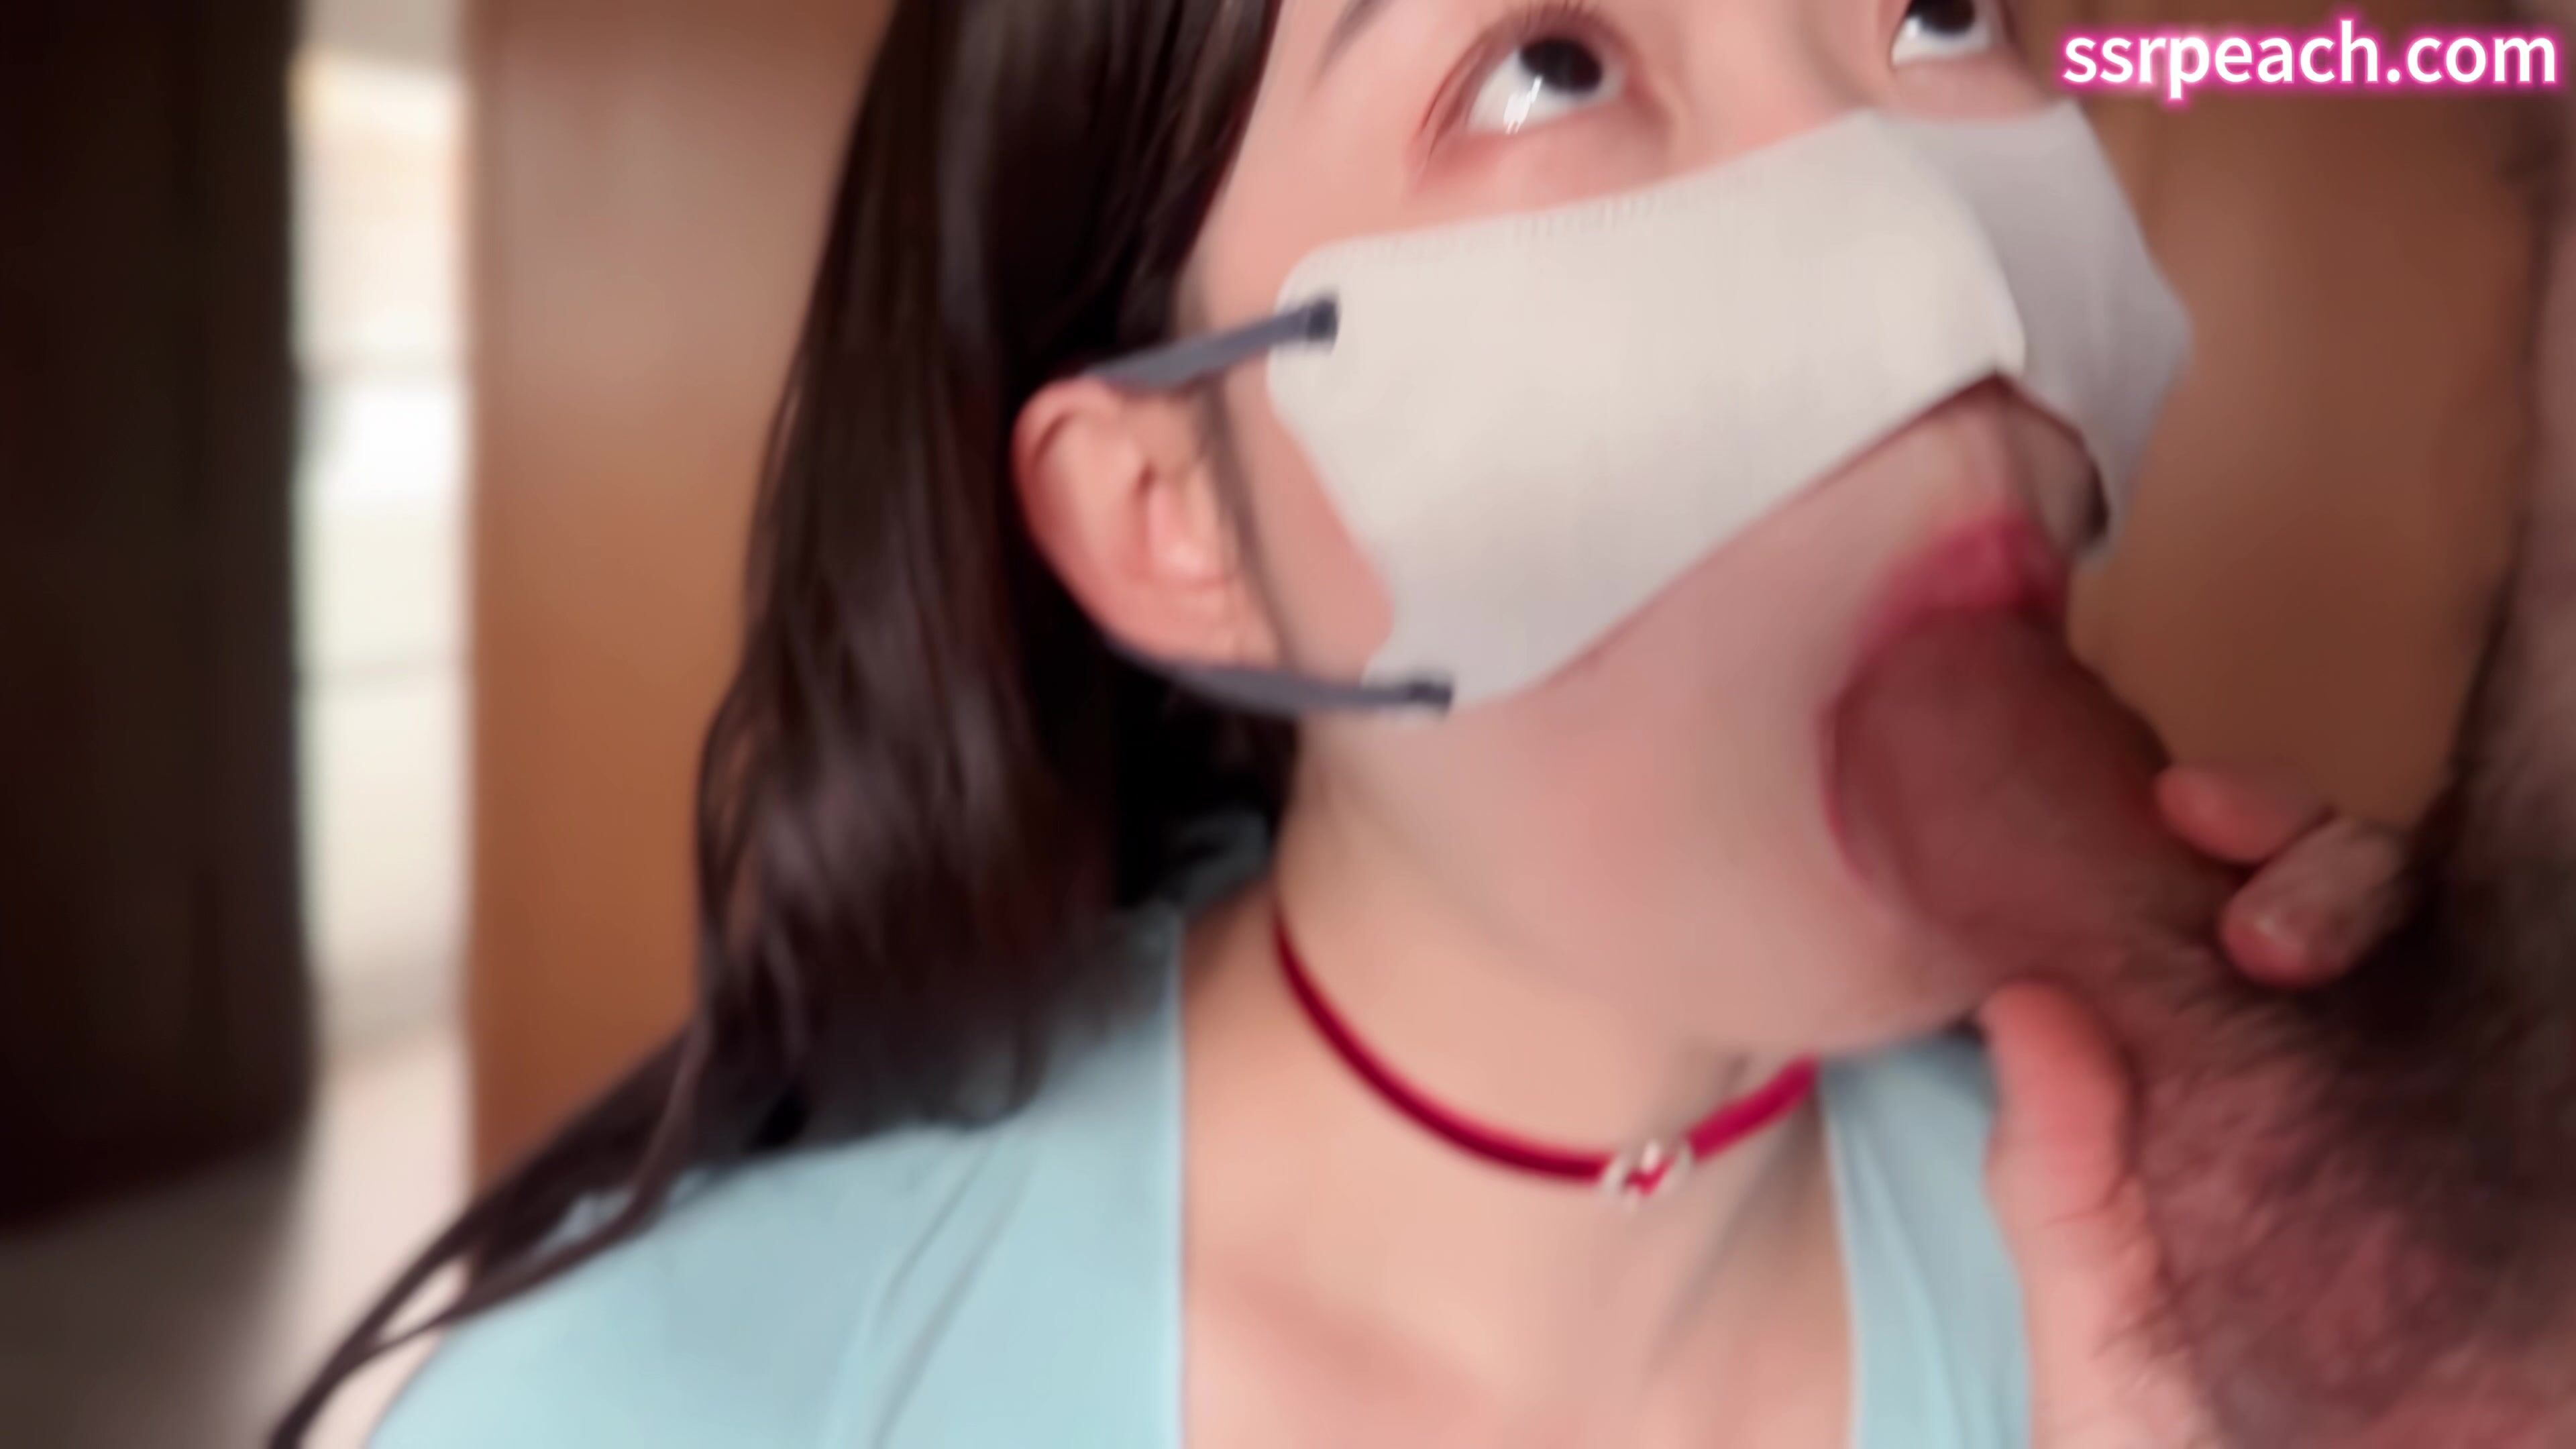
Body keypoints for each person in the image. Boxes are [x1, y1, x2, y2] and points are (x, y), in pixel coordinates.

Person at [275, 0, 2404, 1444]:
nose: (1934, 257)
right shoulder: (656, 1412)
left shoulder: (2215, 1331)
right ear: (1174, 517)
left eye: (1938, 12)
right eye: (1546, 63)